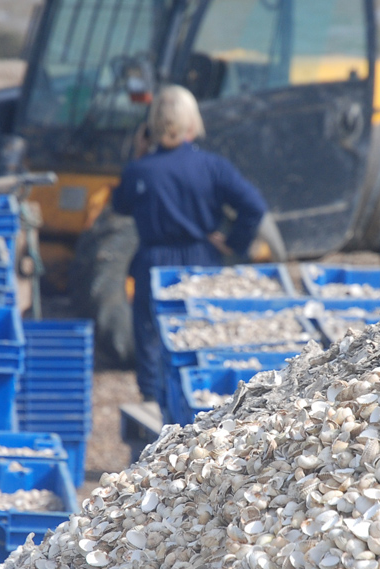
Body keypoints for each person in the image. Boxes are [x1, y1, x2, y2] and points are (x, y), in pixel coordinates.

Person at [113, 85, 269, 407]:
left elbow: (120, 205)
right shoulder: (212, 166)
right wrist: (234, 243)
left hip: (154, 261)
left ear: (151, 126)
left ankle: (152, 403)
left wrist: (140, 157)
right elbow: (254, 205)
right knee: (202, 333)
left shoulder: (139, 171)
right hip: (202, 258)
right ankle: (206, 400)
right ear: (192, 124)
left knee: (151, 334)